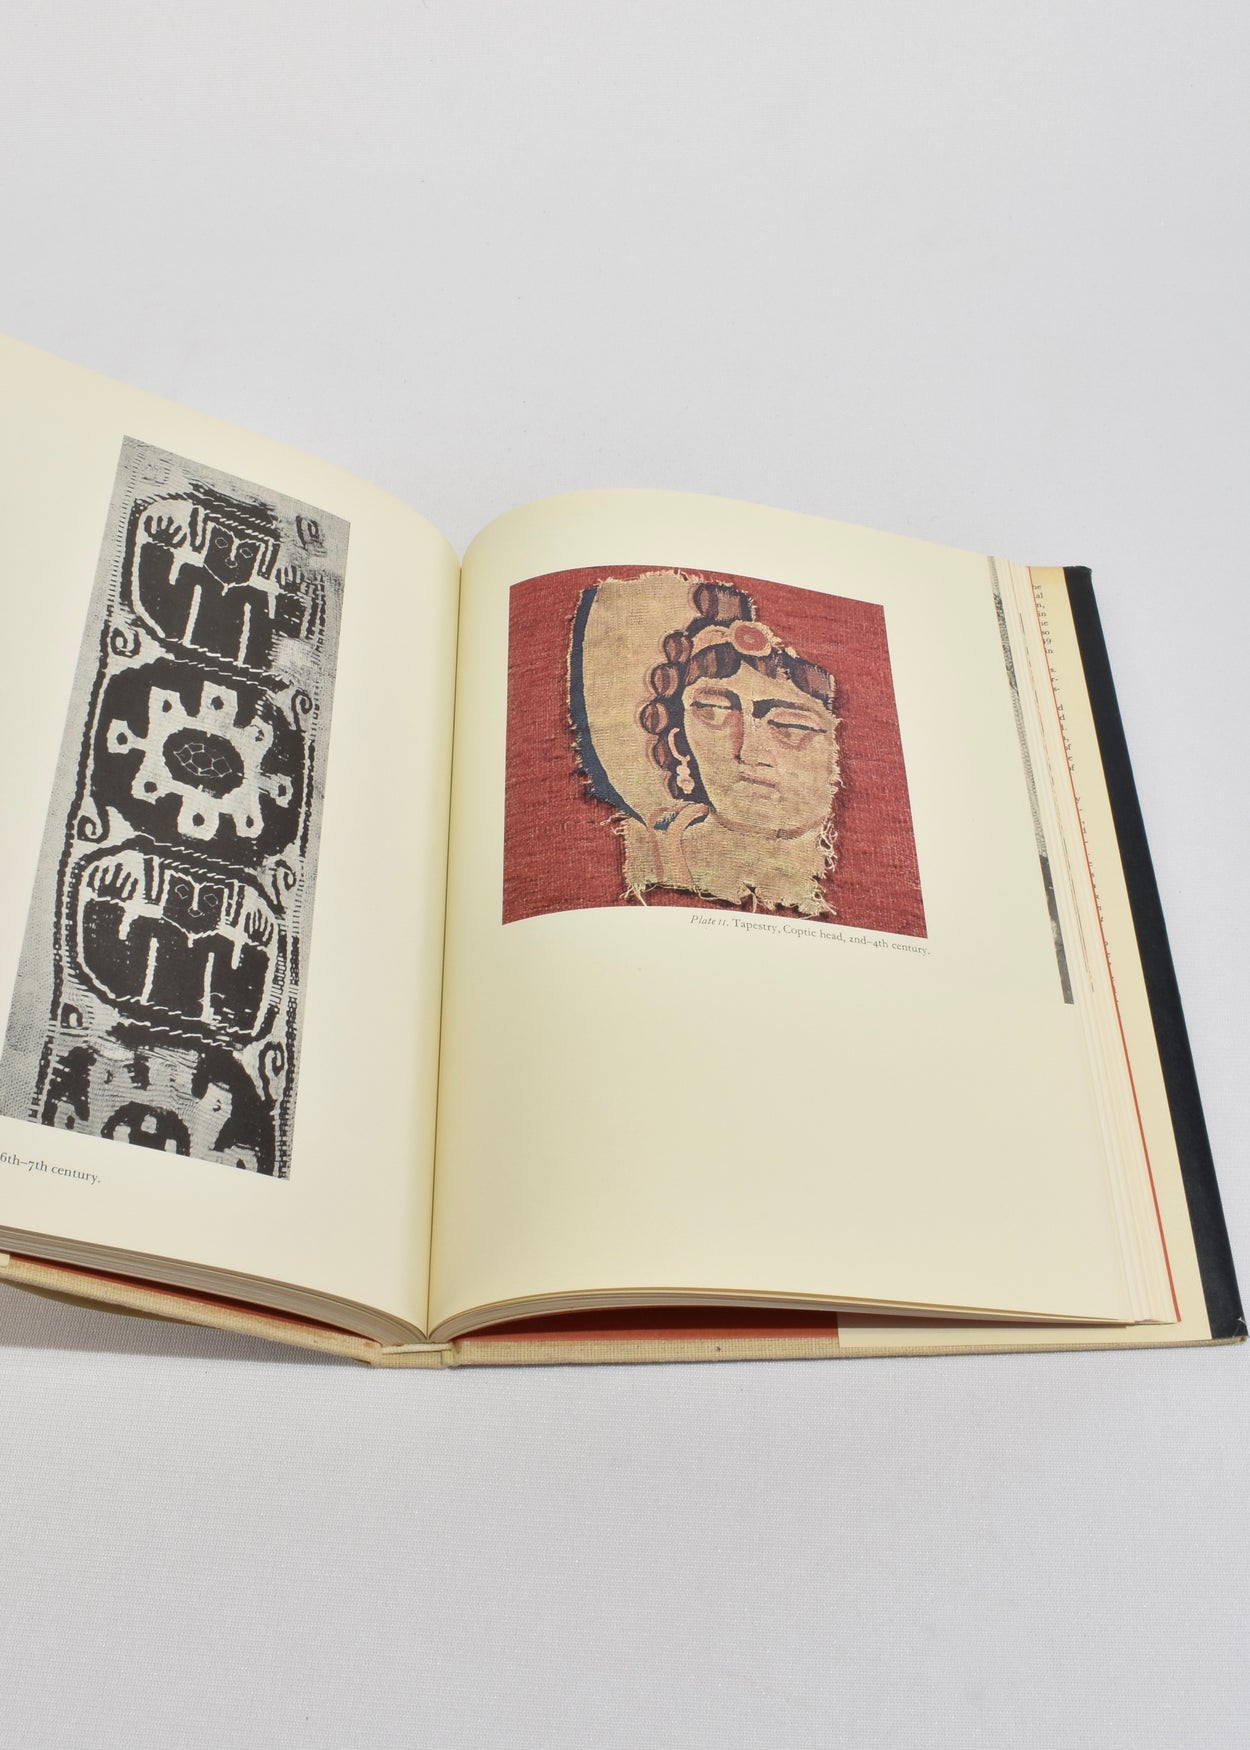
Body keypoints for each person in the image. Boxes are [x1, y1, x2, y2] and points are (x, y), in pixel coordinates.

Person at [626, 582, 840, 915]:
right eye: (714, 712)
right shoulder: (648, 846)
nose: (749, 753)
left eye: (791, 726)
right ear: (680, 743)